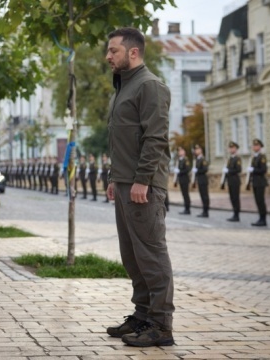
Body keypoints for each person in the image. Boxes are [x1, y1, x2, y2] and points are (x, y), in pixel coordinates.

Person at [104, 27, 174, 347]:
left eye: (113, 51)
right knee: (132, 255)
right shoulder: (123, 88)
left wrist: (142, 180)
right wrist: (113, 177)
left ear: (133, 52)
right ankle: (143, 314)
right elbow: (121, 140)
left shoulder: (150, 86)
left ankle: (160, 324)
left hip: (142, 186)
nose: (108, 56)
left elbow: (155, 138)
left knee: (151, 254)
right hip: (124, 183)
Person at [249, 138, 268, 226]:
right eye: (254, 145)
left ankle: (263, 219)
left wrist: (253, 170)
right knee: (257, 201)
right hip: (255, 182)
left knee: (260, 200)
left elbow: (263, 170)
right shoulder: (254, 157)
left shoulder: (262, 157)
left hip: (260, 182)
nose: (255, 147)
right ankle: (260, 218)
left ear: (260, 147)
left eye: (256, 145)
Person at [225, 141, 242, 222]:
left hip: (235, 181)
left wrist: (228, 171)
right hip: (230, 181)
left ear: (236, 149)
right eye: (230, 148)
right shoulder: (230, 159)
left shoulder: (237, 158)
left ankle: (237, 215)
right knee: (232, 198)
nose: (231, 149)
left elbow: (238, 169)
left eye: (233, 148)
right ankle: (234, 213)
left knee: (235, 198)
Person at [193, 144, 210, 218]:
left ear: (201, 150)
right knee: (202, 196)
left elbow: (205, 169)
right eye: (195, 149)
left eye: (198, 149)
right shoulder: (198, 159)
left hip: (203, 180)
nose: (196, 151)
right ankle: (204, 210)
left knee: (205, 196)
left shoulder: (203, 159)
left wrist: (197, 170)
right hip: (200, 180)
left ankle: (206, 211)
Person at [174, 146, 191, 214]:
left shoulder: (185, 159)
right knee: (184, 194)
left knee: (186, 194)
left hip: (185, 179)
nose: (179, 152)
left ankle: (188, 209)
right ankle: (186, 208)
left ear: (184, 152)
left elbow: (187, 169)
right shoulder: (179, 160)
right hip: (181, 179)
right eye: (179, 151)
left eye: (181, 150)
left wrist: (179, 171)